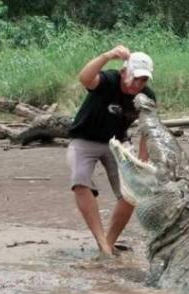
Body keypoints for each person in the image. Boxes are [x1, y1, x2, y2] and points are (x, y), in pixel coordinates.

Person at [67, 45, 155, 258]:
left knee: (131, 191)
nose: (138, 84)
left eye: (143, 80)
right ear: (124, 72)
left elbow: (147, 128)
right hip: (84, 139)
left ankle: (108, 243)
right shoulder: (109, 80)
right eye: (135, 78)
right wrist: (108, 56)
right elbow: (85, 78)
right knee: (80, 182)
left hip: (117, 143)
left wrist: (142, 160)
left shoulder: (146, 96)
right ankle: (102, 243)